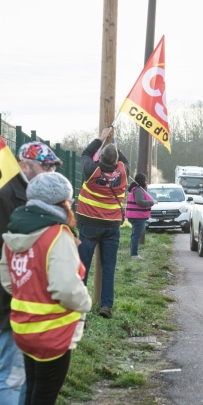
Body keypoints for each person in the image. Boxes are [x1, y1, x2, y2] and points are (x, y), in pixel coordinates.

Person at [0, 172, 91, 405]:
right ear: (61, 203)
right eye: (69, 201)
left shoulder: (14, 232)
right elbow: (65, 288)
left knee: (32, 401)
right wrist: (86, 302)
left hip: (24, 330)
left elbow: (7, 280)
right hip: (54, 334)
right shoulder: (57, 235)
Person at [0, 141, 62, 405]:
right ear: (25, 166)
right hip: (10, 303)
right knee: (12, 375)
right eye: (47, 167)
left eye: (53, 168)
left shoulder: (40, 197)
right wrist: (23, 285)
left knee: (31, 377)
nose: (51, 172)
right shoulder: (3, 198)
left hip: (35, 305)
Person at [76, 127, 130, 319]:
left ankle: (80, 306)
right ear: (116, 161)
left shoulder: (91, 170)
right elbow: (124, 160)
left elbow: (85, 153)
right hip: (111, 227)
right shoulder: (123, 171)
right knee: (108, 268)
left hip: (89, 225)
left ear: (100, 158)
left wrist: (101, 138)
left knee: (83, 266)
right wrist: (114, 142)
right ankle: (106, 305)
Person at [125, 173, 157, 260]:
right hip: (138, 216)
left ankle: (133, 253)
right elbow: (140, 202)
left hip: (134, 216)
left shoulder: (134, 189)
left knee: (134, 235)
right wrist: (152, 202)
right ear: (143, 181)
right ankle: (134, 254)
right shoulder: (138, 190)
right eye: (145, 180)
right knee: (136, 236)